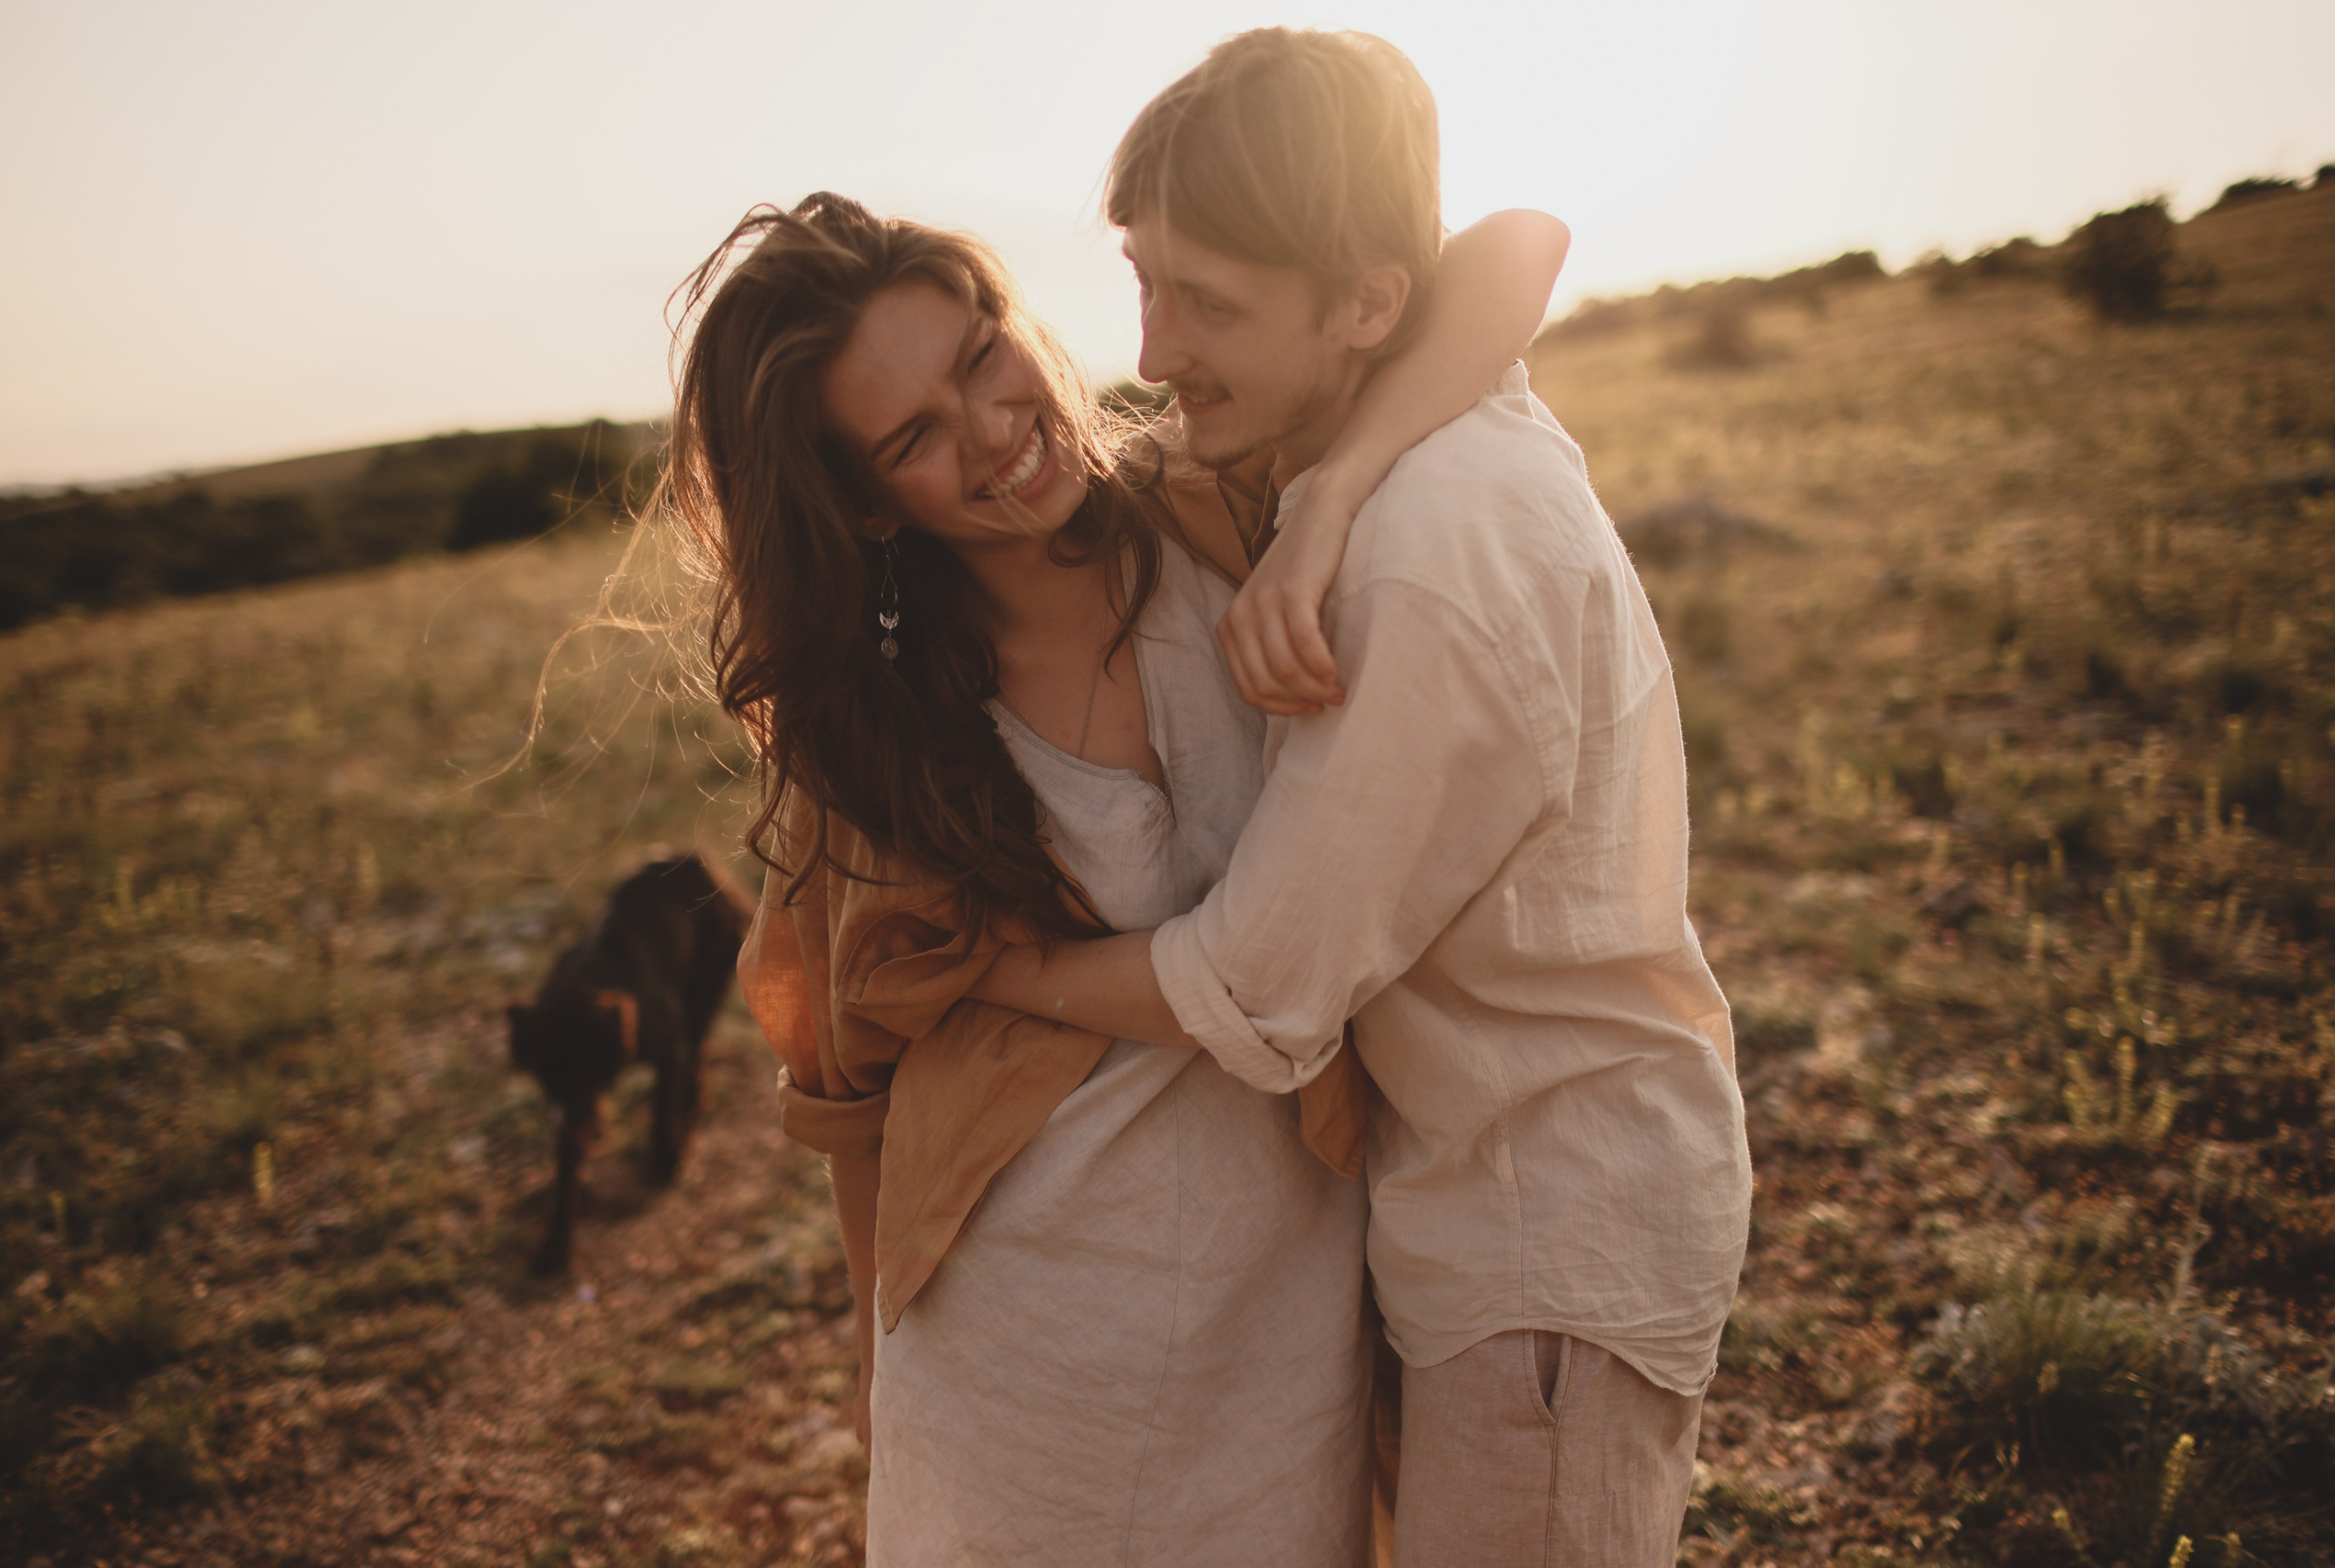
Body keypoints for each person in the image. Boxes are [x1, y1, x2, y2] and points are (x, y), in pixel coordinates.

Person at [665, 182, 1565, 1562]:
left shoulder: (1224, 511)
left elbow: (1519, 252)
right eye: (914, 437)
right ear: (864, 506)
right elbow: (845, 1088)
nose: (992, 429)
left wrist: (1330, 506)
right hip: (1022, 1372)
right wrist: (873, 1350)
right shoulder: (881, 736)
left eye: (981, 355)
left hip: (1284, 1340)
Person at [967, 28, 1754, 1568]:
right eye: (1143, 280)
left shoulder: (1422, 559)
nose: (1154, 348)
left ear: (1370, 306)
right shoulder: (1416, 430)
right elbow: (1508, 256)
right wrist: (1330, 483)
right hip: (1499, 1211)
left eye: (1210, 303)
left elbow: (1262, 988)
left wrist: (996, 974)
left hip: (1545, 1246)